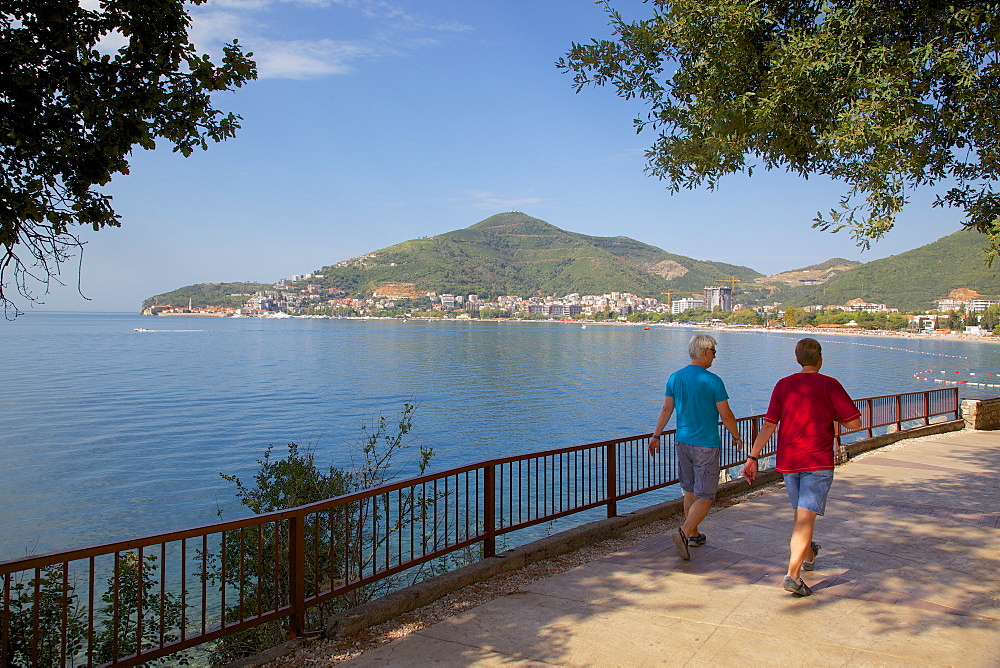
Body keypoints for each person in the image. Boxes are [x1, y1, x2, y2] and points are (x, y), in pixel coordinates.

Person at [742, 338, 862, 596]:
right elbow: (854, 423)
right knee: (804, 518)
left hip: (789, 462)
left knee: (801, 516)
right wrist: (833, 415)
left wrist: (752, 457)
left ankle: (809, 552)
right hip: (817, 461)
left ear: (797, 359)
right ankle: (792, 575)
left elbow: (769, 424)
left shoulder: (784, 385)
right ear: (820, 358)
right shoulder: (830, 385)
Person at [648, 333, 743, 560]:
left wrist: (656, 435)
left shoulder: (675, 378)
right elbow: (726, 415)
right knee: (707, 494)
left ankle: (694, 534)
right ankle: (684, 532)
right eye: (713, 352)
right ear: (704, 352)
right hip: (706, 444)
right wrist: (737, 436)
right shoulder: (713, 381)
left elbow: (666, 409)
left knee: (689, 490)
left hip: (682, 442)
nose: (714, 357)